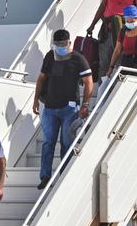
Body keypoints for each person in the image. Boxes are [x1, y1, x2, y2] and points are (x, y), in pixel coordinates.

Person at [33, 29, 94, 190]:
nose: (60, 47)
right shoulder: (49, 57)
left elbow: (89, 82)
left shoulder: (78, 59)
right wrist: (35, 100)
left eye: (63, 44)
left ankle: (64, 176)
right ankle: (45, 177)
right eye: (57, 44)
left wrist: (85, 105)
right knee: (48, 144)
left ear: (70, 43)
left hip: (69, 109)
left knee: (66, 144)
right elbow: (41, 79)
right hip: (50, 109)